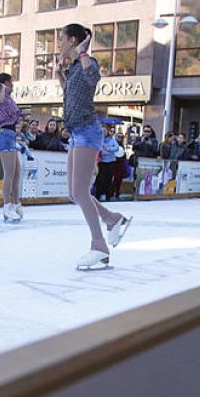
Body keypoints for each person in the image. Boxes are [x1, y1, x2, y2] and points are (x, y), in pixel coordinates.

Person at [55, 24, 132, 269]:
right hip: (77, 134)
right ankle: (112, 219)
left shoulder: (88, 63)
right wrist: (59, 74)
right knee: (74, 193)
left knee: (80, 192)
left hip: (88, 131)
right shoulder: (74, 67)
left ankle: (99, 246)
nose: (59, 44)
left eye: (61, 39)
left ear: (74, 40)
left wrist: (83, 52)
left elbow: (93, 79)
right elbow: (72, 94)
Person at [0, 73, 25, 222]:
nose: (13, 85)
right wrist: (2, 86)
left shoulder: (10, 99)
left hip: (11, 135)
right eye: (10, 83)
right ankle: (6, 206)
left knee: (17, 173)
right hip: (4, 135)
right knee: (9, 173)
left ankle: (17, 203)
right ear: (5, 84)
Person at [95, 123, 121, 201]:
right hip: (101, 161)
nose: (103, 132)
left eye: (105, 131)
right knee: (100, 179)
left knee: (109, 179)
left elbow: (116, 148)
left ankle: (108, 196)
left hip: (110, 162)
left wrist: (109, 149)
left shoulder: (112, 139)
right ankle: (98, 195)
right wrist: (104, 151)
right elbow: (98, 150)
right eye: (102, 131)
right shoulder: (98, 139)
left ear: (107, 131)